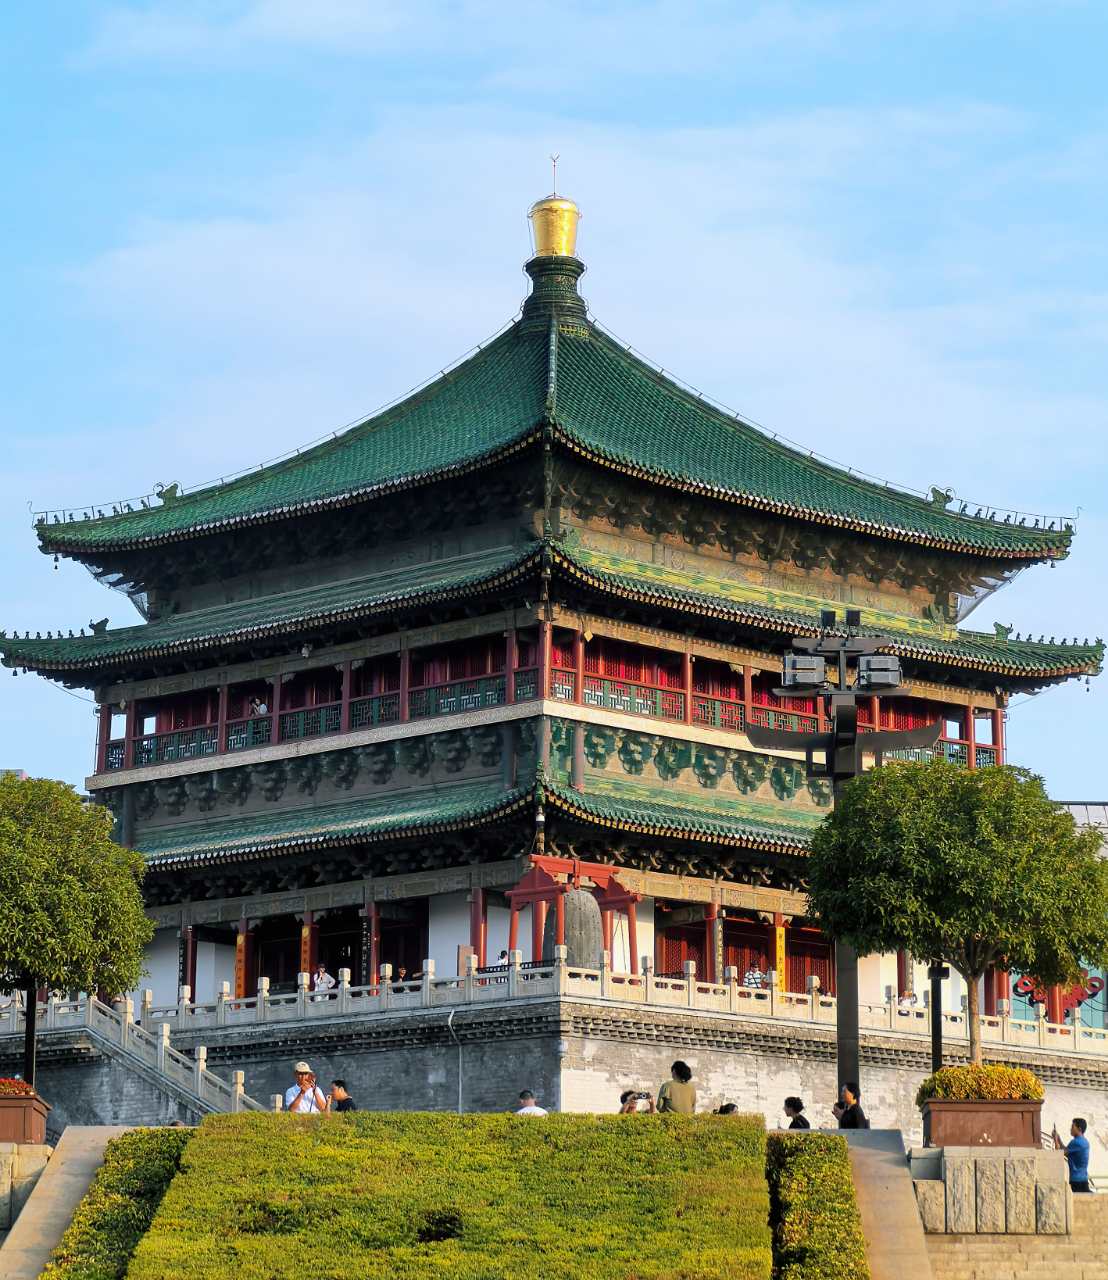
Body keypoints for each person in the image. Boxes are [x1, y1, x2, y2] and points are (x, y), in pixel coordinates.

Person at [1054, 1118, 1091, 1192]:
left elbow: (1060, 1152)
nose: (1071, 1129)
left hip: (1076, 1181)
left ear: (1079, 1129)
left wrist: (1055, 1140)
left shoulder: (1076, 1142)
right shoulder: (1083, 1141)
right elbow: (1066, 1150)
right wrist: (1059, 1139)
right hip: (1082, 1179)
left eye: (1073, 1127)